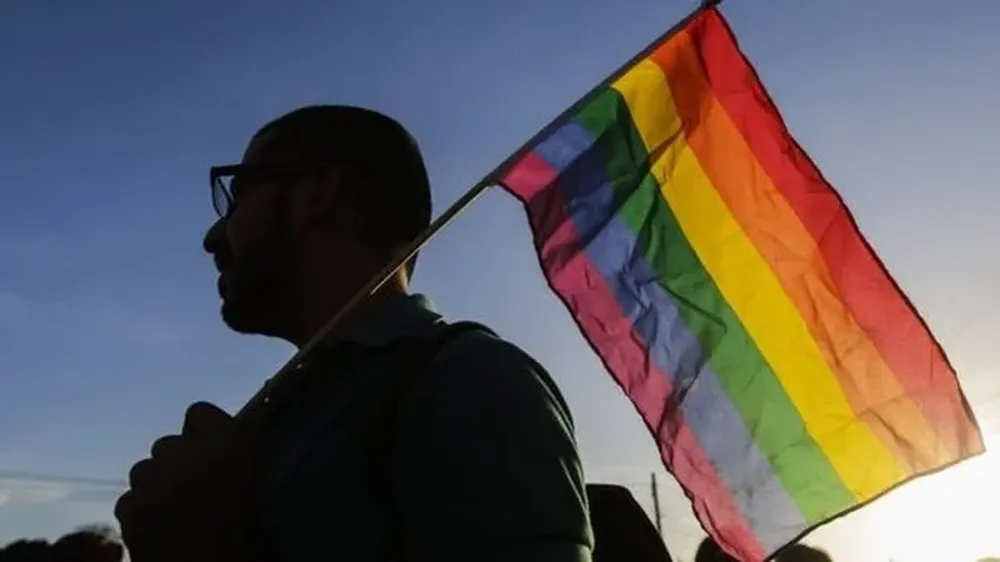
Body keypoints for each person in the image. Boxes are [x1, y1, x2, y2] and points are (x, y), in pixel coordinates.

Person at [114, 105, 594, 562]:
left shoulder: (472, 381)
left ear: (317, 193)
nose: (213, 238)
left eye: (239, 195)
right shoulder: (283, 416)